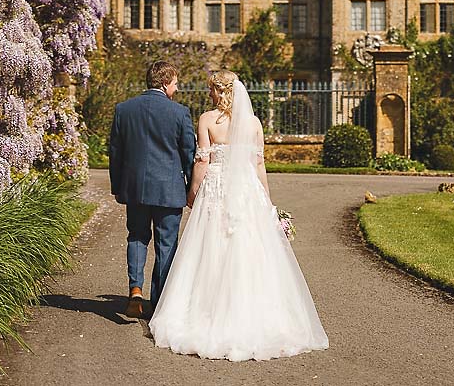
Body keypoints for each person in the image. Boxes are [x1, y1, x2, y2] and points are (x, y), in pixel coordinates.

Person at [148, 70, 328, 361]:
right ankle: (253, 312)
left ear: (221, 91)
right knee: (250, 249)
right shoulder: (254, 123)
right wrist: (267, 202)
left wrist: (192, 192)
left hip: (216, 189)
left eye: (211, 89)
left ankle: (208, 311)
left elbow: (202, 163)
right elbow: (259, 166)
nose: (208, 94)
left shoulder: (207, 120)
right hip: (247, 191)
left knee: (211, 249)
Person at [109, 60, 196, 318]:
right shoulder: (179, 113)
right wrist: (192, 187)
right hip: (169, 190)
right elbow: (188, 152)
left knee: (137, 236)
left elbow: (115, 152)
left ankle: (135, 291)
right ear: (165, 83)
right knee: (166, 243)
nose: (177, 89)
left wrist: (117, 186)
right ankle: (159, 302)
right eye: (175, 84)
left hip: (135, 188)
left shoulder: (124, 109)